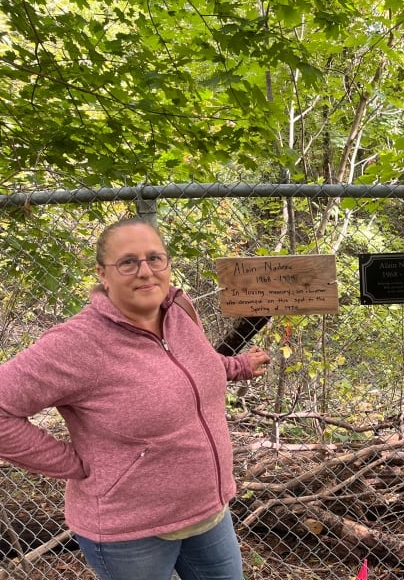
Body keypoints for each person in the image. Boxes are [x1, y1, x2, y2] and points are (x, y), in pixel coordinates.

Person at [0, 218, 271, 580]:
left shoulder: (178, 310)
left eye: (155, 258)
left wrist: (237, 366)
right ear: (103, 274)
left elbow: (188, 366)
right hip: (131, 531)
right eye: (128, 262)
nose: (145, 272)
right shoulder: (78, 344)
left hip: (207, 512)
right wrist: (76, 465)